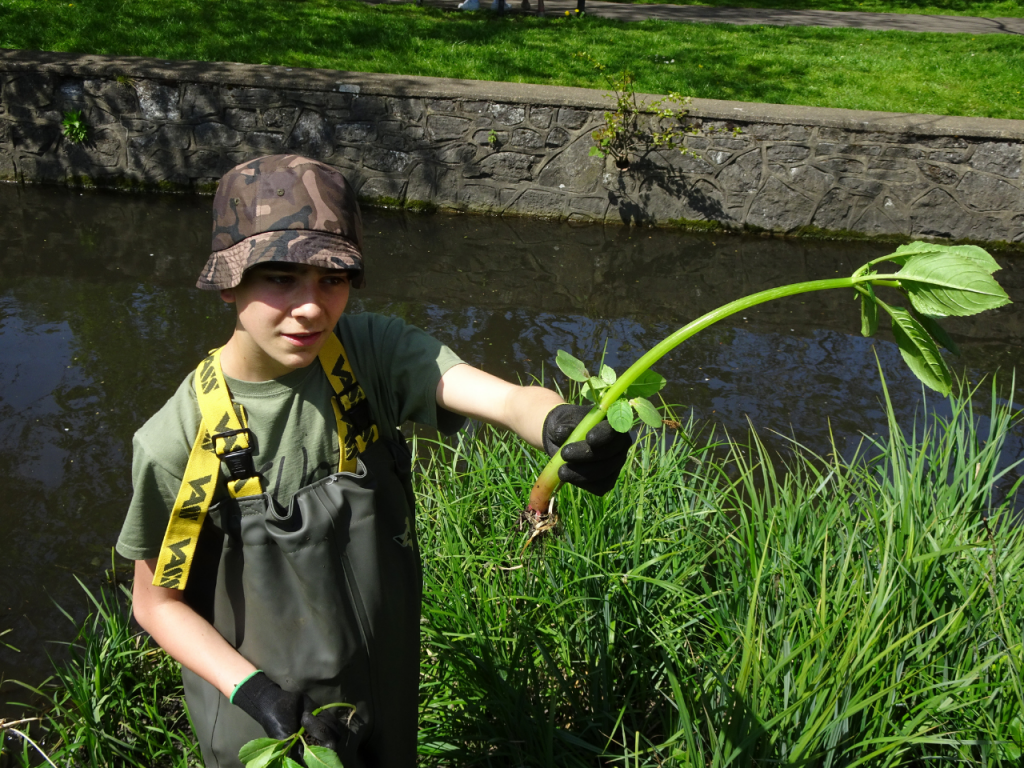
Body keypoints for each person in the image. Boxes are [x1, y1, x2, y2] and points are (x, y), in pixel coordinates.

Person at [115, 154, 631, 768]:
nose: (310, 307)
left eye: (331, 279)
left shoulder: (367, 356)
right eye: (280, 278)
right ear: (230, 282)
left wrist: (559, 425)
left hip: (383, 689)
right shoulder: (177, 444)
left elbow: (500, 396)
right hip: (269, 723)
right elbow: (156, 604)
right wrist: (258, 695)